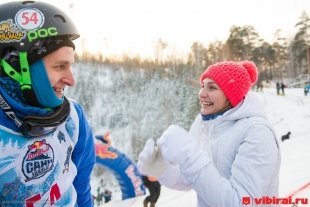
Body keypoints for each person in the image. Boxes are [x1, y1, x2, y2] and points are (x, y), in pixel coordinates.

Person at [137, 61, 281, 207]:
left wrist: (191, 158)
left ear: (232, 95)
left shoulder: (257, 132)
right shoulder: (204, 123)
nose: (202, 94)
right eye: (202, 86)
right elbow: (191, 179)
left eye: (212, 87)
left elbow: (242, 202)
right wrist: (161, 169)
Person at [0, 1, 95, 206]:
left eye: (70, 66)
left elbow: (81, 188)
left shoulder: (74, 119)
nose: (71, 80)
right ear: (16, 66)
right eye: (60, 66)